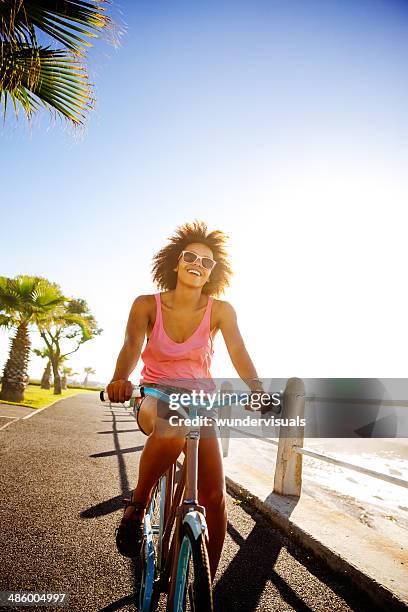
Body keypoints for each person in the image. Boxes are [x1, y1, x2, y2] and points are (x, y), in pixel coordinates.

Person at [107, 220, 264, 581]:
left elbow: (238, 351)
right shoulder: (146, 304)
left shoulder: (221, 310)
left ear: (212, 271)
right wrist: (120, 378)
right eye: (191, 256)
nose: (198, 263)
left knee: (213, 494)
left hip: (200, 403)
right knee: (171, 424)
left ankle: (202, 587)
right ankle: (137, 506)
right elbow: (132, 346)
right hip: (156, 395)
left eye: (206, 261)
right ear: (176, 262)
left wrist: (256, 387)